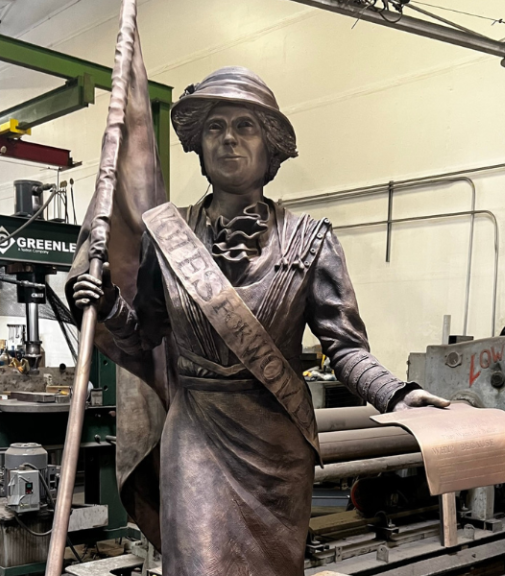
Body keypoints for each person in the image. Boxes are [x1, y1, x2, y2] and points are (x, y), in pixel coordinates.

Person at [73, 66, 448, 576]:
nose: (228, 138)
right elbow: (145, 339)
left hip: (276, 446)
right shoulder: (165, 235)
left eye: (245, 125)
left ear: (270, 147)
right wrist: (109, 307)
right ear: (199, 147)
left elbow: (344, 346)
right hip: (198, 433)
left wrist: (395, 393)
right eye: (214, 126)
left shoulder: (311, 239)